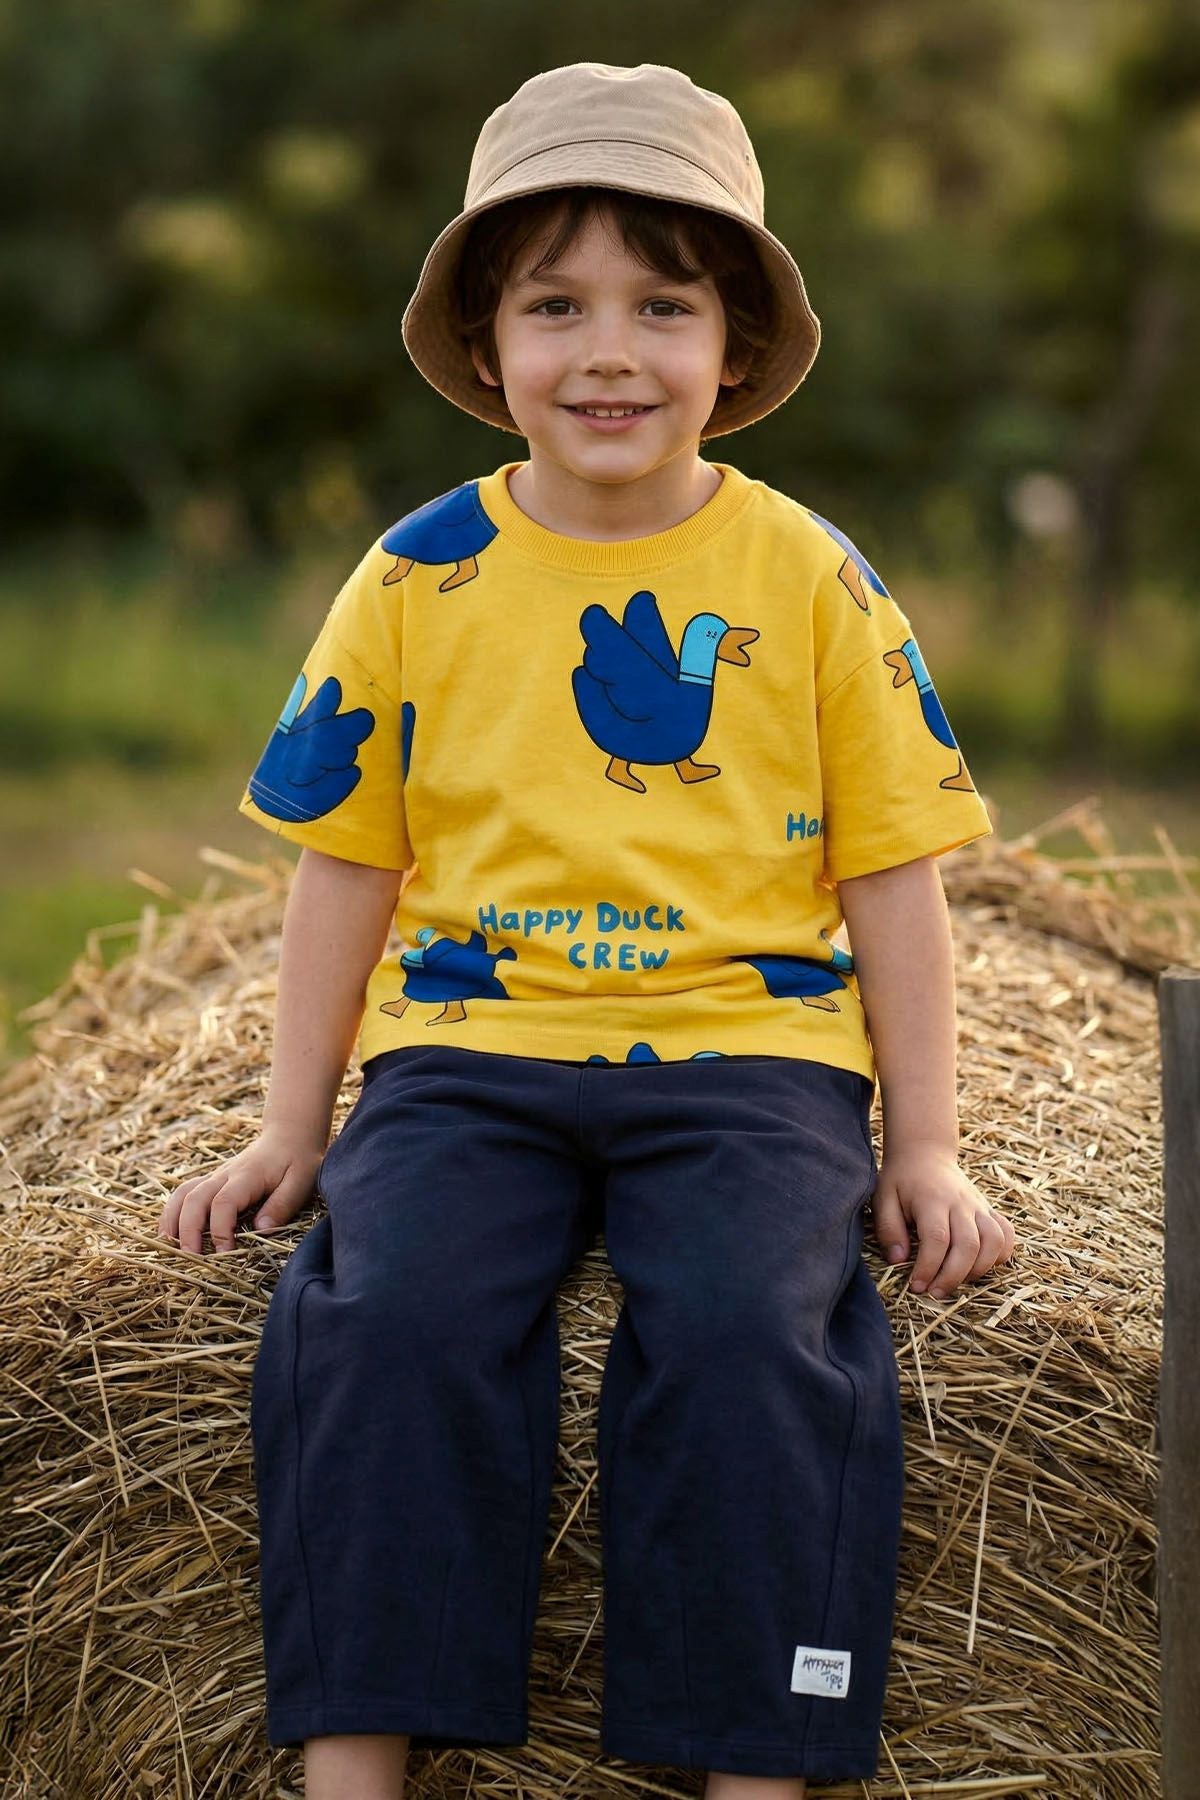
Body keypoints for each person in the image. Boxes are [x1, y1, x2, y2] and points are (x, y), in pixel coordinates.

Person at [157, 60, 1016, 1800]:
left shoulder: (814, 582)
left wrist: (924, 1144)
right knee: (379, 1317)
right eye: (556, 304)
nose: (608, 351)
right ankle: (356, 1762)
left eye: (662, 304)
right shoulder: (411, 580)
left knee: (752, 1330)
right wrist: (286, 1124)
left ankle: (751, 1762)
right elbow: (345, 865)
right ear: (487, 345)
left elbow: (896, 877)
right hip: (467, 1055)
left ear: (735, 349)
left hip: (749, 1061)